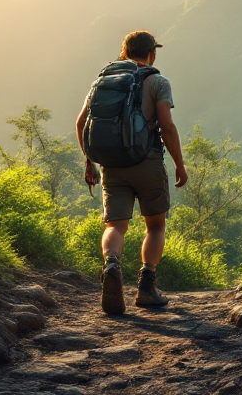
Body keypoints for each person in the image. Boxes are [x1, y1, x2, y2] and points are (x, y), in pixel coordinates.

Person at [75, 31, 187, 314]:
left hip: (112, 165)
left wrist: (90, 161)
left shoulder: (102, 82)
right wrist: (179, 164)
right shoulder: (157, 81)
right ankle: (147, 286)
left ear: (123, 52)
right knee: (156, 226)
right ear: (153, 54)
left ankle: (111, 265)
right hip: (147, 162)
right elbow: (167, 125)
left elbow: (80, 123)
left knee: (114, 225)